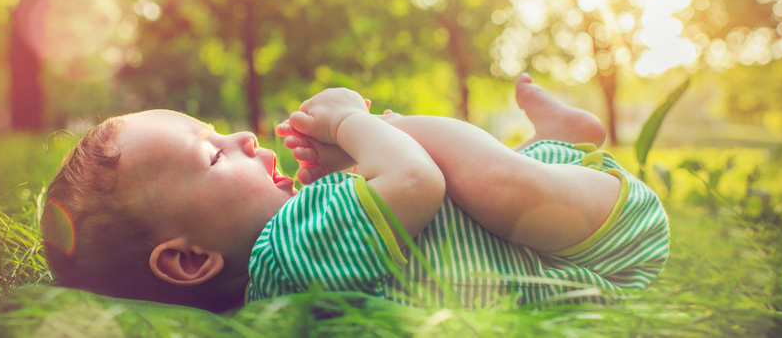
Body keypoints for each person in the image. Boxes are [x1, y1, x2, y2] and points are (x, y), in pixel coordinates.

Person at [42, 74, 669, 311]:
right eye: (212, 154)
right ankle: (556, 145)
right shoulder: (289, 250)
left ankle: (556, 143)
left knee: (487, 180)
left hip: (569, 235)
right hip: (593, 237)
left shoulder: (292, 264)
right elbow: (418, 181)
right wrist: (352, 123)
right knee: (428, 145)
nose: (242, 137)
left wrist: (347, 170)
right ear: (189, 260)